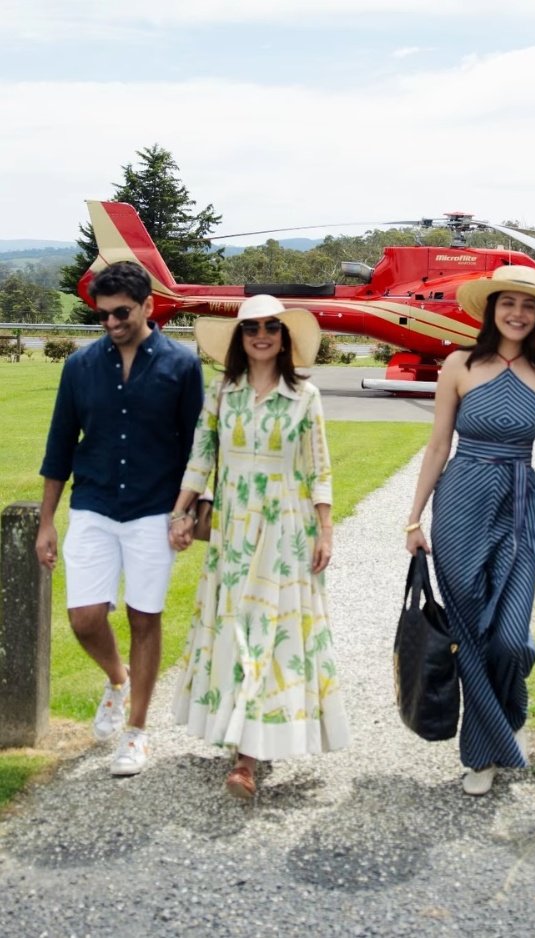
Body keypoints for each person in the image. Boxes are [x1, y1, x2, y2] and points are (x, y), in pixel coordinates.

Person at [405, 265, 535, 796]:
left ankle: (508, 713)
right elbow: (437, 447)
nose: (518, 314)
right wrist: (414, 517)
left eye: (529, 307)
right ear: (492, 309)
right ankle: (484, 754)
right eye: (509, 304)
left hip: (521, 503)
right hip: (460, 503)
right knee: (472, 633)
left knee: (510, 639)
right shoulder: (459, 365)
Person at [169, 294, 350, 799]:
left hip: (286, 532)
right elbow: (201, 458)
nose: (262, 335)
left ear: (285, 338)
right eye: (252, 328)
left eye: (272, 327)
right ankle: (245, 746)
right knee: (239, 632)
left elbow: (319, 468)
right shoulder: (222, 391)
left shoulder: (305, 397)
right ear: (240, 338)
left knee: (273, 634)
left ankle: (247, 757)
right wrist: (181, 511)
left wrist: (325, 530)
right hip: (234, 535)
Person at [35, 260, 204, 776]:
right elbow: (60, 444)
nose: (111, 323)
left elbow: (199, 446)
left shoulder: (182, 365)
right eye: (103, 315)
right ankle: (117, 678)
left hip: (155, 510)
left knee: (143, 617)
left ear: (149, 305)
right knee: (84, 618)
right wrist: (46, 522)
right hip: (94, 504)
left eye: (121, 313)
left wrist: (190, 511)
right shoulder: (80, 368)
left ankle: (136, 733)